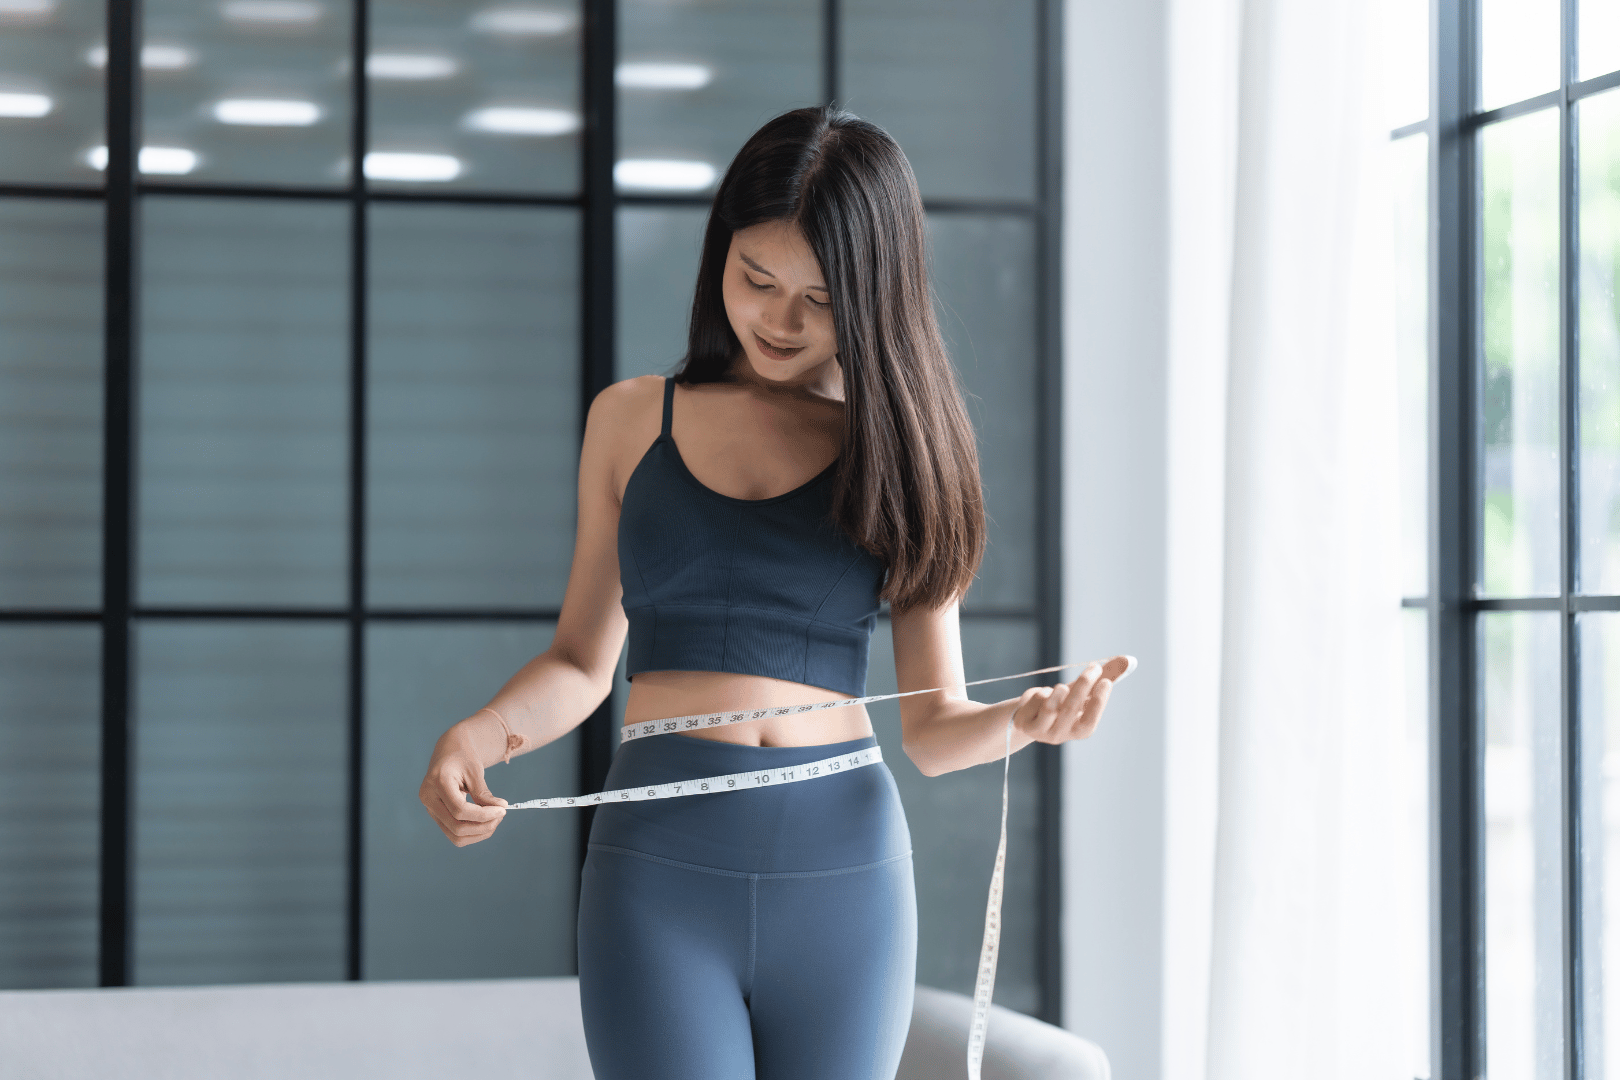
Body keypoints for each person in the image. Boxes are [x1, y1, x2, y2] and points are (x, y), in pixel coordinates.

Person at [417, 104, 1130, 1080]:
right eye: (756, 279)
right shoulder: (631, 421)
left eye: (821, 299)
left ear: (875, 298)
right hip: (658, 871)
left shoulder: (906, 453)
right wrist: (481, 735)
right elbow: (584, 659)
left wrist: (1030, 721)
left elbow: (934, 726)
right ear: (721, 257)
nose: (779, 320)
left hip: (847, 879)